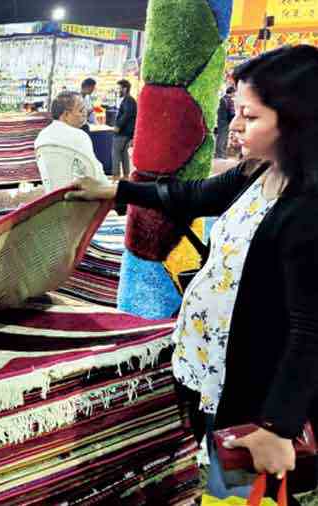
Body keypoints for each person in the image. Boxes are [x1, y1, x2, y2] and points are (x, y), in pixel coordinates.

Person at [66, 45, 318, 503]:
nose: (235, 125)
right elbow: (193, 195)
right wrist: (117, 188)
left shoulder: (308, 210)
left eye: (250, 116)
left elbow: (310, 330)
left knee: (249, 489)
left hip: (255, 391)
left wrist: (278, 426)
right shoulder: (260, 174)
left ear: (298, 122)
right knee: (221, 473)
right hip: (213, 366)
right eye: (234, 109)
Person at [33, 91, 106, 192]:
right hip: (82, 201)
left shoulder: (41, 136)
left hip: (52, 200)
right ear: (66, 115)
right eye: (81, 110)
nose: (85, 113)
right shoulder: (79, 136)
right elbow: (96, 175)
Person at [111, 79, 137, 181]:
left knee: (116, 152)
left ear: (125, 89)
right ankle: (126, 175)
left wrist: (118, 126)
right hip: (128, 132)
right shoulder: (130, 100)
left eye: (119, 88)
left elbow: (126, 115)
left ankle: (115, 176)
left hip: (123, 132)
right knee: (123, 153)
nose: (117, 91)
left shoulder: (128, 100)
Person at [215, 86, 236, 158]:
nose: (234, 94)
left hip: (221, 121)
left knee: (222, 137)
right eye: (234, 93)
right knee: (223, 137)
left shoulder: (223, 99)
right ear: (232, 92)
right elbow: (231, 112)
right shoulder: (228, 100)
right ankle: (220, 154)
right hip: (225, 121)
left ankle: (221, 154)